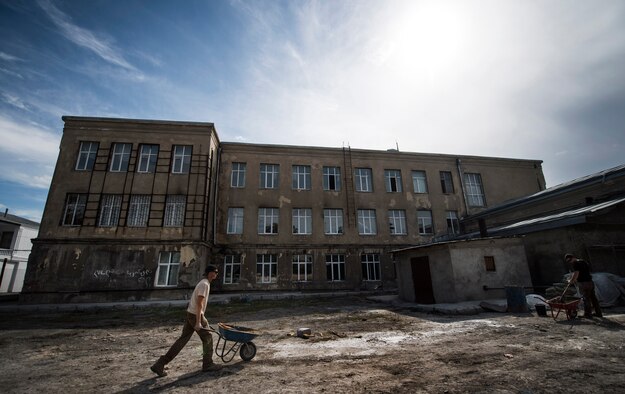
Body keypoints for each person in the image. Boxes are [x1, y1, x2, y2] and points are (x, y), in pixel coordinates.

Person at [151, 264, 221, 377]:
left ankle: (160, 364)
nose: (216, 274)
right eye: (214, 272)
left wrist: (198, 316)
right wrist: (198, 322)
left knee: (182, 340)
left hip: (191, 313)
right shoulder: (204, 284)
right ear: (209, 273)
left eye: (217, 272)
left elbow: (197, 304)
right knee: (208, 337)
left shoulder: (204, 283)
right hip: (195, 315)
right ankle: (208, 364)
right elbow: (199, 304)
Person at [565, 253, 603, 318]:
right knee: (593, 298)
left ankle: (588, 314)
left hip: (583, 283)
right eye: (568, 261)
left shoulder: (575, 263)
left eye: (570, 260)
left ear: (573, 257)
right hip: (590, 282)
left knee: (586, 299)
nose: (570, 262)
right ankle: (598, 313)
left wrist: (571, 281)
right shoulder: (583, 261)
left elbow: (576, 273)